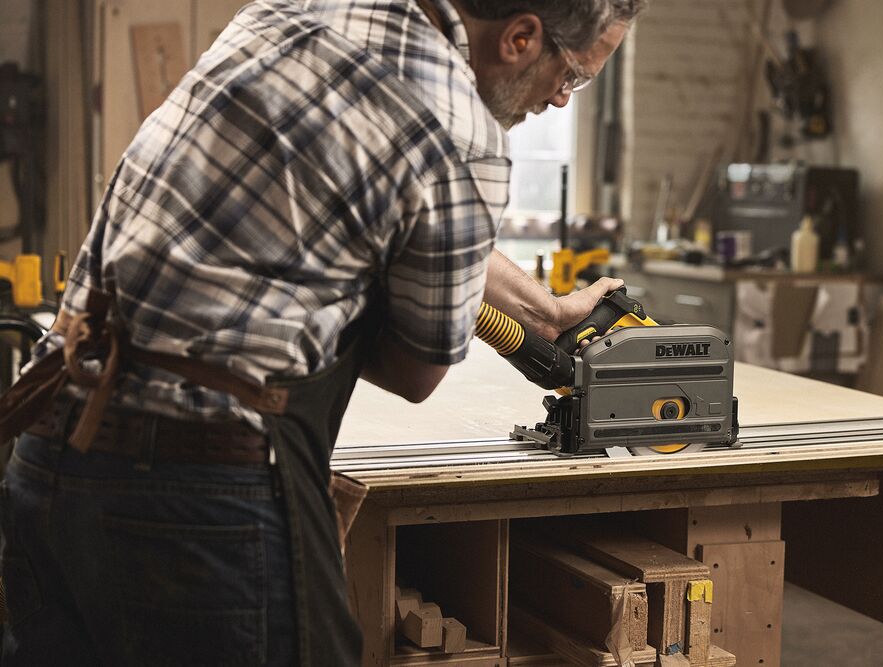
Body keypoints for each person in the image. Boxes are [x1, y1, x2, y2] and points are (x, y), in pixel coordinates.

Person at [0, 0, 646, 664]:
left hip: (50, 453)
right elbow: (413, 369)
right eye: (573, 74)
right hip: (193, 494)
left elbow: (358, 202)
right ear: (519, 38)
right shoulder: (463, 128)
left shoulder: (296, 12)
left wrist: (542, 310)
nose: (564, 100)